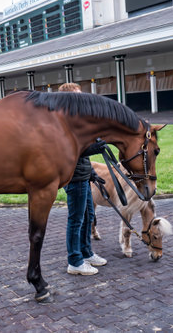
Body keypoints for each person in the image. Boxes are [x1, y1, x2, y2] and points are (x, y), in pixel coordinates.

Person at [58, 82, 107, 275]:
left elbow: (81, 153)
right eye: (78, 96)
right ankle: (75, 261)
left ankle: (86, 252)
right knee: (76, 219)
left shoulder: (75, 120)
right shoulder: (63, 122)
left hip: (83, 175)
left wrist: (92, 173)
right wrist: (91, 149)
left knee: (89, 216)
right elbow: (67, 151)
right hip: (73, 177)